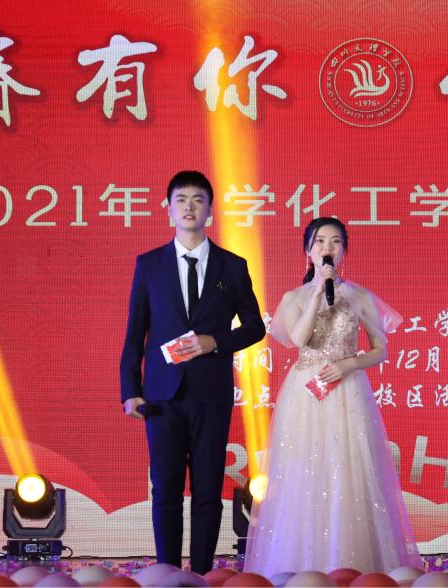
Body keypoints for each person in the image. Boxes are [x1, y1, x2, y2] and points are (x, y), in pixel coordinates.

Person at [244, 218, 421, 576]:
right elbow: (298, 339)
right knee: (304, 473)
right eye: (320, 241)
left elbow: (381, 349)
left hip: (347, 391)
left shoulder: (359, 296)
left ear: (344, 251)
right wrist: (316, 291)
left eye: (336, 241)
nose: (328, 248)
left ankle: (354, 565)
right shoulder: (293, 298)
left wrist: (348, 365)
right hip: (305, 394)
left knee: (350, 471)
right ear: (308, 251)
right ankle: (300, 567)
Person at [120, 170, 265, 574]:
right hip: (161, 395)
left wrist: (213, 342)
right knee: (165, 489)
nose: (189, 207)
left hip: (210, 393)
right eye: (181, 200)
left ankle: (201, 574)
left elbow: (255, 327)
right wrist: (130, 390)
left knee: (206, 491)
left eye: (198, 200)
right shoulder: (149, 265)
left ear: (210, 211)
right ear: (168, 210)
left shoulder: (231, 266)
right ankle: (167, 572)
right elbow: (135, 332)